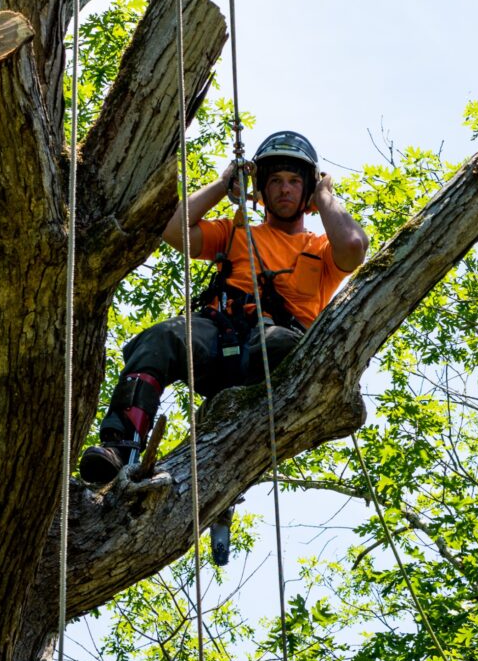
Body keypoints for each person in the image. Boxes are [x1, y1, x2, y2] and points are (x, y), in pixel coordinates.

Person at [79, 131, 368, 505]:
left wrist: (326, 193)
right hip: (221, 338)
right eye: (275, 181)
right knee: (161, 337)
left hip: (277, 351)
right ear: (260, 190)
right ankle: (121, 447)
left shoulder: (321, 249)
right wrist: (223, 184)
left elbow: (355, 247)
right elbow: (173, 228)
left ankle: (224, 454)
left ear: (307, 193)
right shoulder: (235, 232)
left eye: (295, 181)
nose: (284, 189)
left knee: (277, 341)